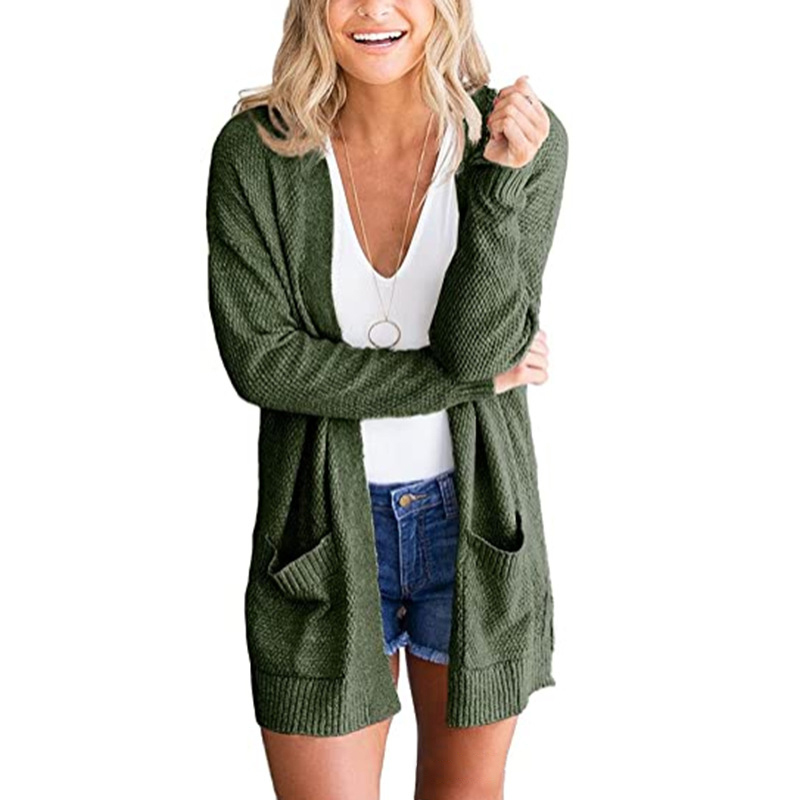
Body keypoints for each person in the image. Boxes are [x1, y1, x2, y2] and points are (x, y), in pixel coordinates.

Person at [206, 1, 569, 798]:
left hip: (473, 524)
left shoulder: (519, 139)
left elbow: (479, 348)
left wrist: (498, 185)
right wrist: (460, 382)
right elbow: (264, 365)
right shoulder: (255, 152)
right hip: (319, 533)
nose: (374, 8)